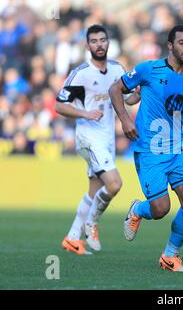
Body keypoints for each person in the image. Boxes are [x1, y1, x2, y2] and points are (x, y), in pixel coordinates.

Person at [109, 25, 183, 272]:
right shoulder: (148, 69)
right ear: (170, 45)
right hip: (150, 150)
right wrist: (125, 119)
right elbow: (116, 88)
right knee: (160, 209)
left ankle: (170, 255)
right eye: (182, 43)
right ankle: (138, 209)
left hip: (179, 149)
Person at [56, 25, 139, 255]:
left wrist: (138, 93)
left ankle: (73, 238)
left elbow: (128, 99)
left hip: (107, 138)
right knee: (114, 184)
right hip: (88, 137)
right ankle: (92, 223)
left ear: (108, 43)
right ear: (87, 45)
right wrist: (85, 113)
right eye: (94, 41)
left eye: (103, 40)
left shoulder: (116, 69)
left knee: (94, 190)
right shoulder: (81, 73)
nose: (99, 44)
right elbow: (59, 105)